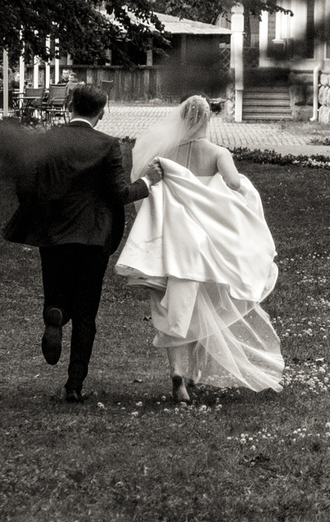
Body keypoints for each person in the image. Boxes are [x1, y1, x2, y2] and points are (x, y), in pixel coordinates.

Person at [114, 94, 285, 402]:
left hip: (170, 243)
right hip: (205, 244)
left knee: (171, 308)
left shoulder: (163, 154)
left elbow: (146, 186)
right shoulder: (218, 152)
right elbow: (234, 183)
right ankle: (195, 372)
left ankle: (178, 374)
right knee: (203, 304)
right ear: (208, 120)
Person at [1, 83, 160, 402]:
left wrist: (41, 209)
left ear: (70, 104)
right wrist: (147, 182)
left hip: (54, 234)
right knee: (87, 312)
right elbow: (119, 193)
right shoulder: (108, 145)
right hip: (94, 236)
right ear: (101, 112)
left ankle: (55, 312)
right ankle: (74, 385)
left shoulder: (46, 140)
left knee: (56, 288)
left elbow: (25, 183)